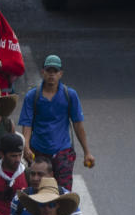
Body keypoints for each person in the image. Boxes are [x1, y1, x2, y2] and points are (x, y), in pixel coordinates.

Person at [18, 54, 95, 192]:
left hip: (62, 152)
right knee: (37, 191)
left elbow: (78, 125)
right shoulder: (32, 96)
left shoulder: (69, 95)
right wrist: (26, 147)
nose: (51, 75)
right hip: (38, 151)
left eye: (55, 71)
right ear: (43, 72)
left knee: (63, 193)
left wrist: (87, 152)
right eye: (48, 71)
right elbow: (27, 124)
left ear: (61, 74)